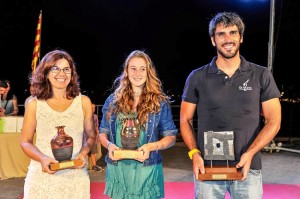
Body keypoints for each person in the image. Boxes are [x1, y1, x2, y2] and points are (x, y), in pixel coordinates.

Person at [180, 12, 281, 199]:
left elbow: (273, 120)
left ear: (241, 37)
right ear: (213, 40)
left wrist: (250, 153)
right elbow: (185, 120)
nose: (228, 39)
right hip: (207, 169)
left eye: (233, 33)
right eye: (221, 34)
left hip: (248, 169)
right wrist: (194, 154)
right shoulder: (197, 77)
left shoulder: (261, 74)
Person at [99, 50, 178, 198]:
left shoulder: (159, 102)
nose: (137, 73)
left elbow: (171, 137)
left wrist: (151, 146)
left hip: (147, 170)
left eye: (143, 69)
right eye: (133, 68)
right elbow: (102, 132)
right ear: (126, 71)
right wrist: (109, 146)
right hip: (119, 170)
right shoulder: (113, 100)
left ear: (149, 72)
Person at [20, 49, 96, 199]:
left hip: (75, 178)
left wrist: (83, 152)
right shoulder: (34, 104)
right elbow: (25, 142)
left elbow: (92, 137)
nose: (62, 74)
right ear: (46, 72)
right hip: (41, 179)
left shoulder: (83, 102)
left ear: (72, 74)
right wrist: (42, 159)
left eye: (66, 69)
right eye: (55, 68)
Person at [88, 103, 104, 172]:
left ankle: (94, 165)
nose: (93, 109)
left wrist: (97, 135)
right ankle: (91, 165)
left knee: (94, 152)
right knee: (89, 151)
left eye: (94, 108)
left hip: (93, 136)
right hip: (87, 136)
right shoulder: (85, 116)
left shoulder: (95, 116)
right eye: (91, 108)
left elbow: (96, 126)